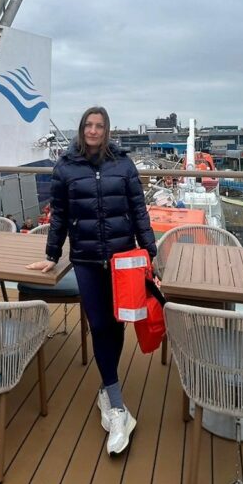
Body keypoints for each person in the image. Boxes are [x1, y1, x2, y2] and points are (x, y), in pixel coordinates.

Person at [26, 106, 156, 455]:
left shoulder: (123, 164)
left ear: (107, 130)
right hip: (85, 259)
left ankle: (106, 389)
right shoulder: (66, 167)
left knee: (117, 325)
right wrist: (52, 256)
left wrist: (151, 252)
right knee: (99, 325)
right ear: (82, 129)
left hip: (121, 259)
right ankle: (116, 404)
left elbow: (138, 208)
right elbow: (60, 217)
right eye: (89, 125)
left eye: (99, 126)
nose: (94, 130)